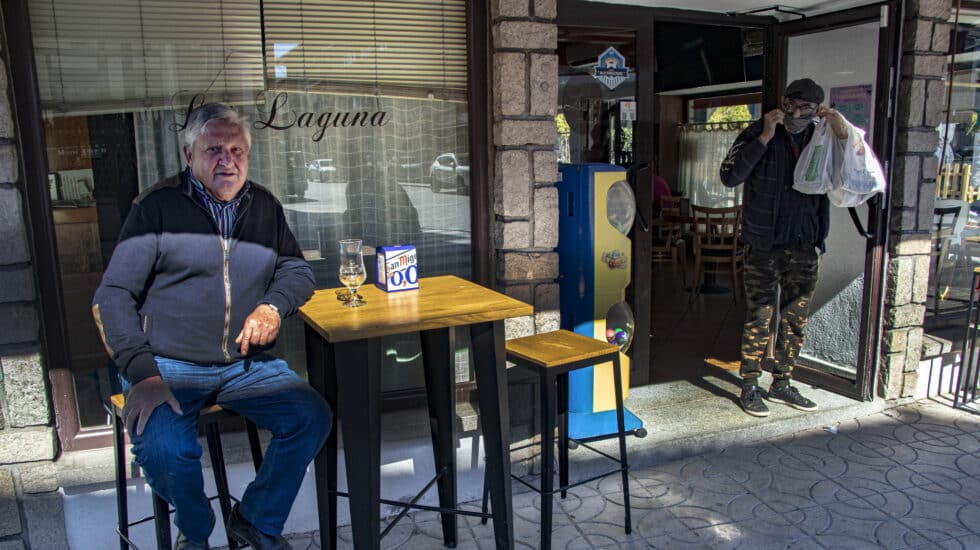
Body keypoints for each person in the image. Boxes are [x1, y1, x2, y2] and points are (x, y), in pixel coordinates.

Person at [93, 103, 331, 550]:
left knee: (310, 417)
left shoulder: (263, 205)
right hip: (167, 363)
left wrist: (272, 308)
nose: (228, 160)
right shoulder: (156, 208)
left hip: (244, 363)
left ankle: (255, 520)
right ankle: (197, 531)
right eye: (214, 149)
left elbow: (296, 270)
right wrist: (142, 372)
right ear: (189, 155)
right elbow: (111, 297)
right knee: (165, 450)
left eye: (237, 150)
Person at [719, 78, 848, 418]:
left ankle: (782, 382)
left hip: (804, 243)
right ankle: (749, 385)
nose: (795, 112)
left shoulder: (823, 137)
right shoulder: (758, 131)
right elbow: (729, 176)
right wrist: (763, 136)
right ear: (782, 100)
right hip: (763, 244)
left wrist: (841, 130)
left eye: (805, 107)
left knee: (795, 318)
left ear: (817, 110)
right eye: (790, 104)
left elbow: (851, 173)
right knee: (759, 315)